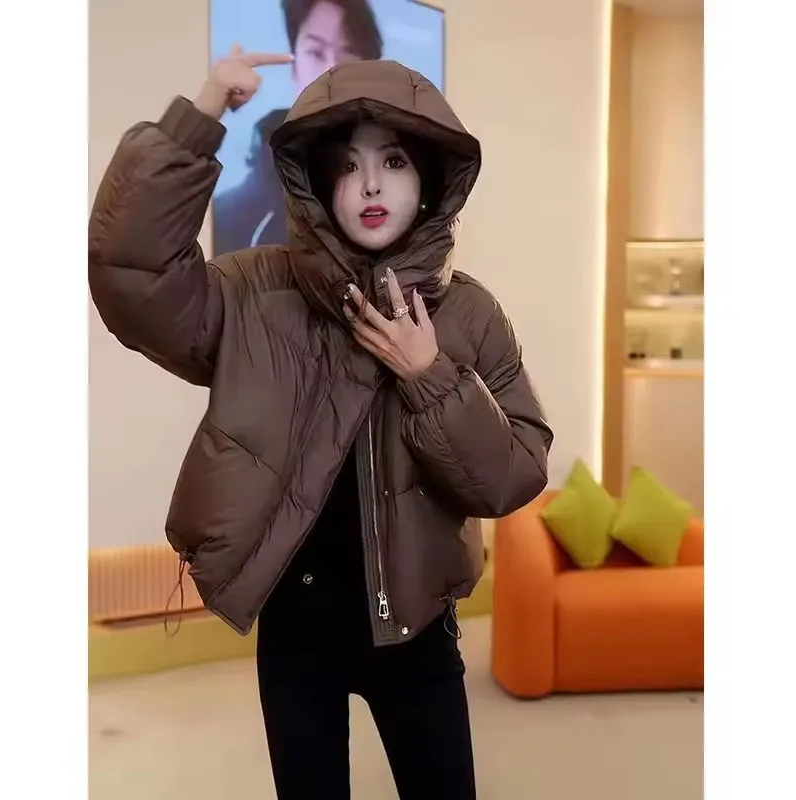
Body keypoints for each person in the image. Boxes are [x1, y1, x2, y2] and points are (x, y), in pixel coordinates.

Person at [89, 46, 553, 800]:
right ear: (314, 183)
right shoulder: (254, 291)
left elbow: (514, 475)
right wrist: (199, 118)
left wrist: (428, 375)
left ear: (431, 181)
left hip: (419, 632)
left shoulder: (469, 313)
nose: (370, 184)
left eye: (394, 161)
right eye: (346, 165)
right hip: (295, 631)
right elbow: (131, 275)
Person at [212, 0, 383, 254]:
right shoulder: (233, 215)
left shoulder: (399, 194)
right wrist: (207, 109)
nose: (330, 70)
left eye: (348, 53)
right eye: (316, 52)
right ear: (294, 68)